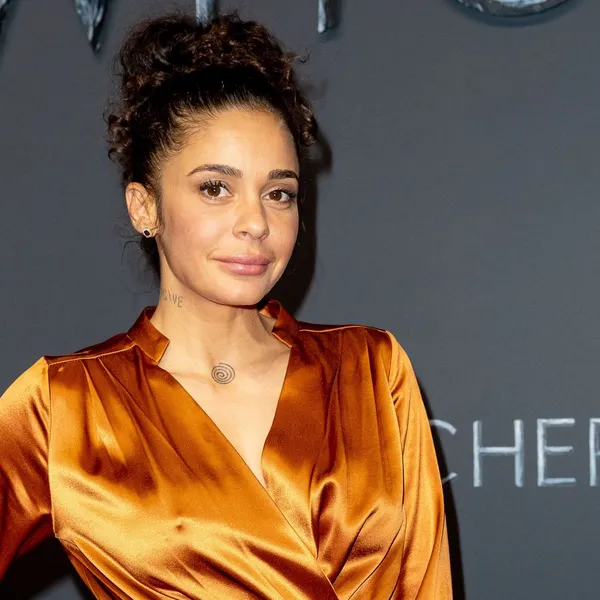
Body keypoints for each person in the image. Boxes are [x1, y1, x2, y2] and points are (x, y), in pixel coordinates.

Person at [0, 11, 452, 600]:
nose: (256, 222)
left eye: (279, 193)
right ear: (144, 207)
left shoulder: (371, 369)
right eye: (215, 188)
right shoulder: (65, 406)